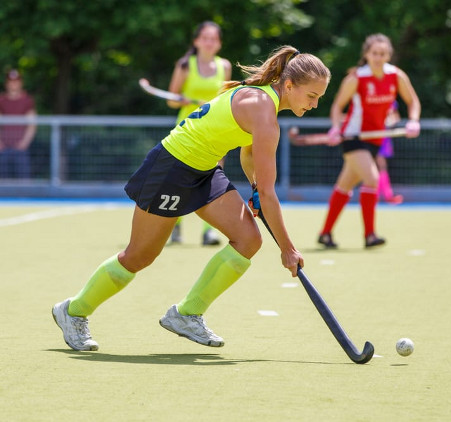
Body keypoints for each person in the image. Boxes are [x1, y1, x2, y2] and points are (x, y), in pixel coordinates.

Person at [52, 46, 331, 351]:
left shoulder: (265, 102)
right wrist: (288, 249)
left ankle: (187, 314)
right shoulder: (263, 110)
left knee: (248, 240)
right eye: (312, 96)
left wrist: (252, 189)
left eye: (319, 97)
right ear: (289, 85)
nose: (315, 104)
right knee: (139, 256)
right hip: (171, 166)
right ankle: (73, 310)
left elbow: (249, 154)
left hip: (204, 170)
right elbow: (268, 192)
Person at [318, 33, 421, 249]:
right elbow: (337, 106)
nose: (378, 57)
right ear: (366, 54)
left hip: (375, 139)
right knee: (372, 179)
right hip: (354, 137)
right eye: (374, 53)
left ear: (388, 55)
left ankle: (325, 234)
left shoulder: (396, 76)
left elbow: (412, 101)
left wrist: (413, 121)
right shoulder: (356, 78)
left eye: (383, 53)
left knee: (344, 185)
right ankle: (370, 235)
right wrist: (336, 127)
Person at [167, 21, 232, 246]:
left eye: (213, 38)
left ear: (219, 43)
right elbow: (171, 100)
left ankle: (209, 232)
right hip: (186, 131)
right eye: (205, 38)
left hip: (214, 130)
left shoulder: (224, 66)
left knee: (212, 180)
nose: (209, 42)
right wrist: (181, 100)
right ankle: (173, 227)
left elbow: (226, 98)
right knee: (179, 180)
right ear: (196, 41)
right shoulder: (185, 65)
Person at [0, 69, 37, 179]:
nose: (13, 84)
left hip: (21, 147)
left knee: (23, 181)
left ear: (21, 82)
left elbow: (32, 124)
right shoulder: (1, 100)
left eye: (16, 81)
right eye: (11, 81)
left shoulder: (27, 100)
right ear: (6, 83)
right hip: (3, 147)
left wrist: (25, 142)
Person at [376, 100, 403, 204]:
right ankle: (385, 195)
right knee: (379, 166)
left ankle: (380, 195)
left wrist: (390, 121)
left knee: (381, 166)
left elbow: (396, 117)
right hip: (374, 135)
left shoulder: (391, 101)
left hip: (384, 137)